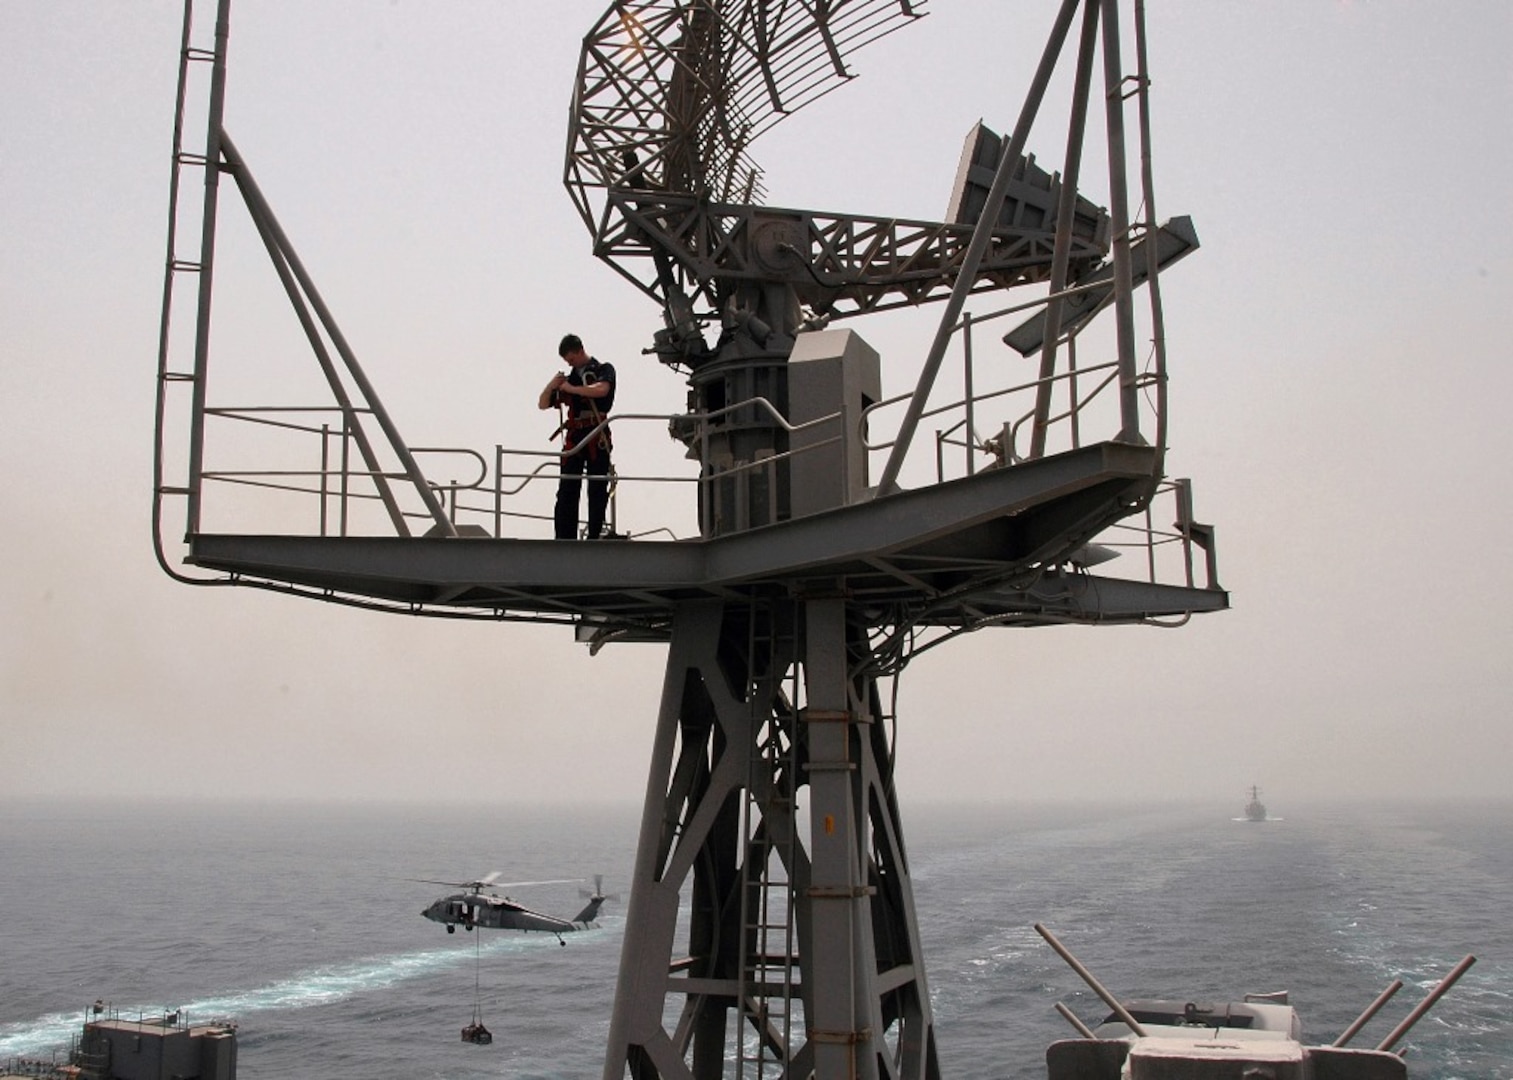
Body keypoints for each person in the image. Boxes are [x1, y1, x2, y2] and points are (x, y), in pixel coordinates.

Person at [539, 333, 616, 539]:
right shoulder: (568, 378)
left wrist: (571, 388)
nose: (569, 363)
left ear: (580, 351)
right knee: (567, 488)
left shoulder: (603, 370)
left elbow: (601, 390)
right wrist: (552, 385)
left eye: (571, 359)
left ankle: (594, 535)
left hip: (596, 433)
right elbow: (543, 404)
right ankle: (565, 537)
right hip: (575, 435)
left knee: (597, 487)